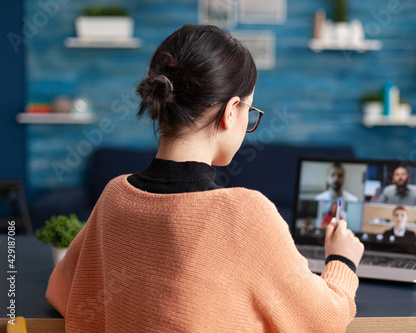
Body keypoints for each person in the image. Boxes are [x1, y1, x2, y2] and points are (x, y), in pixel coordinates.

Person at [46, 25, 364, 332]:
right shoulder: (246, 215)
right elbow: (325, 322)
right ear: (231, 111)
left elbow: (62, 291)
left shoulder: (114, 195)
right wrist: (341, 259)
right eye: (249, 112)